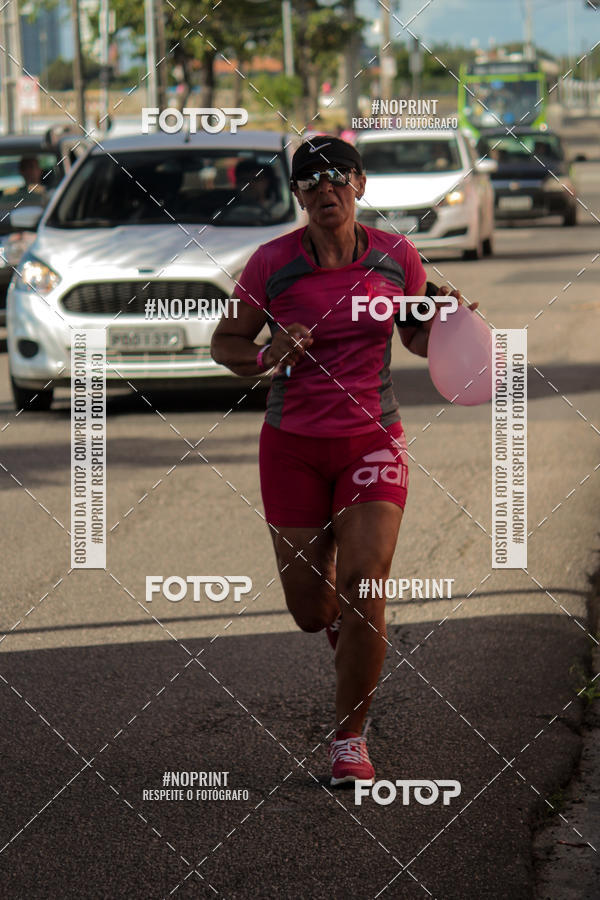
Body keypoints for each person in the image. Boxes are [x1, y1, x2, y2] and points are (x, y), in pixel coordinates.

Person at [211, 135, 470, 787]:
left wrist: (448, 319)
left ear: (359, 186)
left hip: (372, 441)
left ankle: (349, 739)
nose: (325, 189)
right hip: (292, 446)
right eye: (310, 181)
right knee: (311, 611)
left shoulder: (394, 255)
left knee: (365, 586)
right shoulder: (271, 263)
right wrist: (269, 356)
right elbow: (226, 342)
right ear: (297, 195)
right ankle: (346, 635)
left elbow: (413, 334)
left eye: (337, 177)